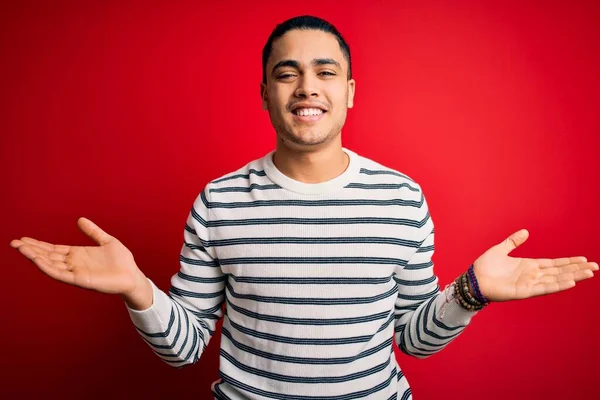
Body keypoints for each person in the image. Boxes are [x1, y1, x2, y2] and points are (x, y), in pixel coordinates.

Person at [10, 15, 597, 400]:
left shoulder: (401, 196)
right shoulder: (219, 201)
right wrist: (136, 288)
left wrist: (471, 292)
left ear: (349, 92)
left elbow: (413, 341)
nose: (306, 87)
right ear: (266, 93)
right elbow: (186, 348)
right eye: (285, 73)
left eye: (325, 72)